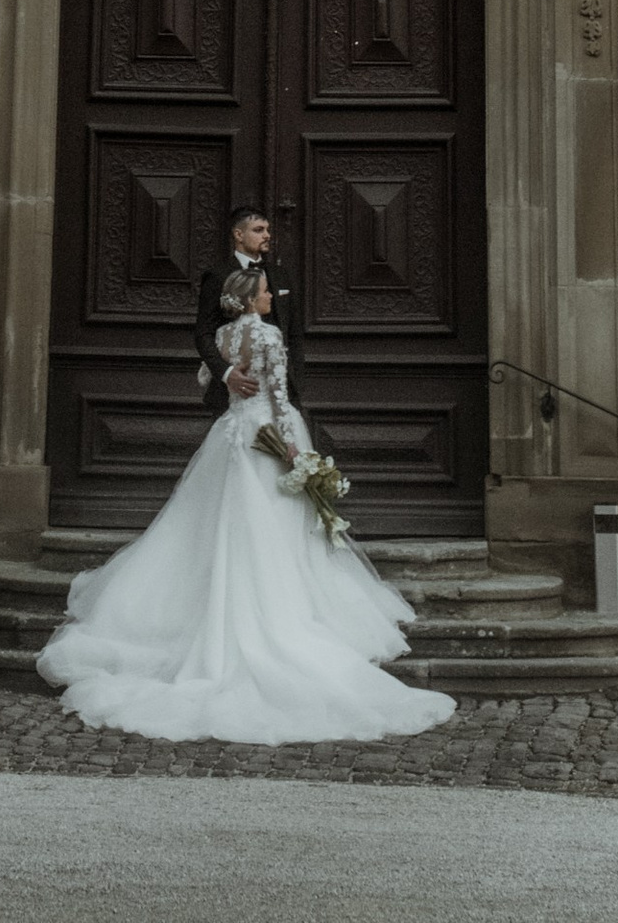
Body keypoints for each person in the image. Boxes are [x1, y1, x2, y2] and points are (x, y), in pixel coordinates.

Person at [38, 270, 455, 745]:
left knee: (217, 525)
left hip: (231, 435)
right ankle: (279, 609)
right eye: (263, 293)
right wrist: (296, 451)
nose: (270, 297)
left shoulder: (223, 335)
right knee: (274, 531)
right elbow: (278, 396)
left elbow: (214, 382)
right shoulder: (269, 335)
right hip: (266, 439)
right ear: (248, 300)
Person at [193, 204, 298, 413]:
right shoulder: (217, 276)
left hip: (280, 388)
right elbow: (203, 333)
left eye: (268, 230)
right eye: (258, 230)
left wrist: (294, 381)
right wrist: (226, 373)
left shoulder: (280, 275)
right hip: (234, 392)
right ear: (239, 234)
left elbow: (294, 333)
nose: (267, 235)